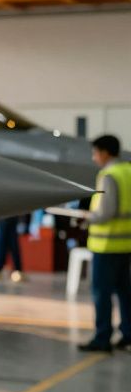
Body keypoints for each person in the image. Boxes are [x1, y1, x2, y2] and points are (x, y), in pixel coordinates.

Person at [79, 134, 131, 353]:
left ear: (105, 153)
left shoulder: (108, 175)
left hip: (106, 245)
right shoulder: (128, 171)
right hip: (126, 244)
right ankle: (128, 334)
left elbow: (106, 212)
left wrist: (86, 216)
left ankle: (102, 338)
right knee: (125, 293)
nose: (94, 158)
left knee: (101, 294)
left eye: (95, 152)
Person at [0, 214, 27, 283]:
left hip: (3, 214)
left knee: (1, 236)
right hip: (13, 212)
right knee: (12, 237)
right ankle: (18, 270)